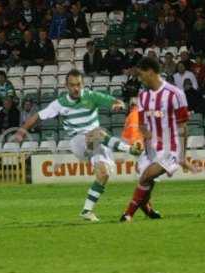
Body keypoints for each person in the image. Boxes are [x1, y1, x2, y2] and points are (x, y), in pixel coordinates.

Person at [15, 69, 142, 221]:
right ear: (66, 86)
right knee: (98, 132)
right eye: (72, 85)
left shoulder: (92, 96)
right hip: (78, 142)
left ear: (83, 84)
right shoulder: (60, 103)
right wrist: (22, 131)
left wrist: (118, 105)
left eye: (78, 85)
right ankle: (131, 150)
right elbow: (37, 116)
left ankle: (86, 211)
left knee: (103, 174)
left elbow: (116, 101)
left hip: (96, 143)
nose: (76, 88)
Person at [120, 57, 189, 222]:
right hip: (151, 149)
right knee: (146, 182)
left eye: (141, 74)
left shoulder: (175, 94)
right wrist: (145, 136)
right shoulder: (143, 95)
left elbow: (183, 127)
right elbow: (142, 124)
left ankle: (127, 214)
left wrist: (182, 156)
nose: (140, 78)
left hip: (170, 147)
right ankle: (148, 209)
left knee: (145, 177)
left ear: (150, 72)